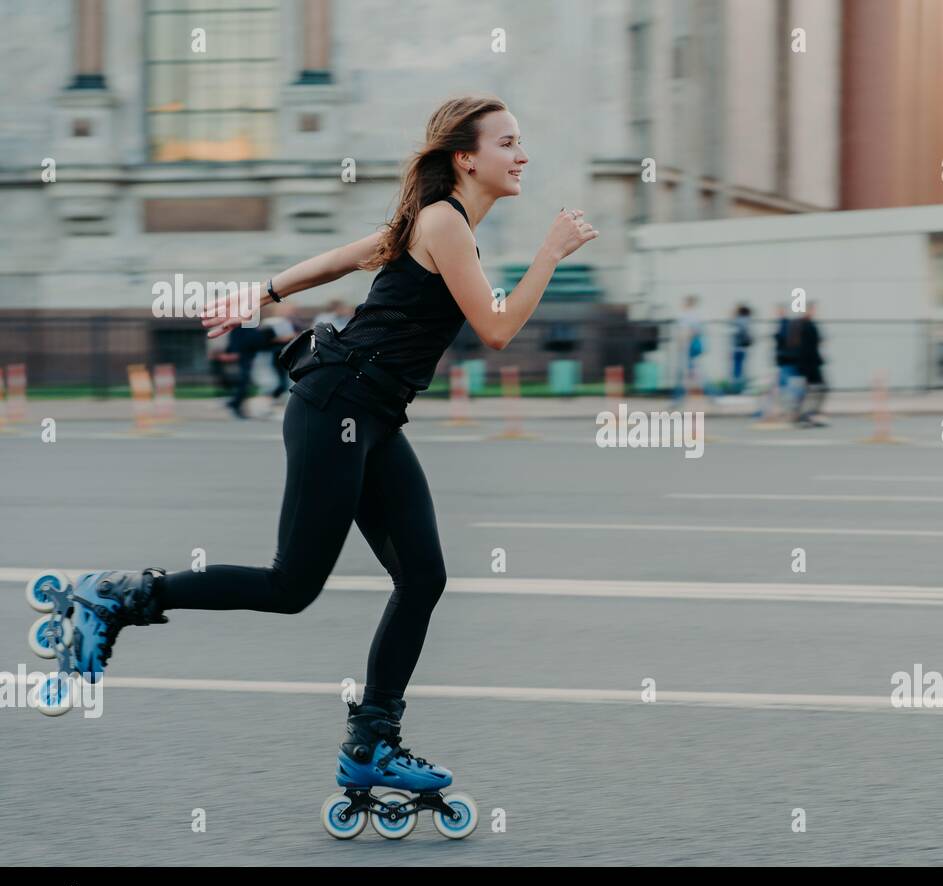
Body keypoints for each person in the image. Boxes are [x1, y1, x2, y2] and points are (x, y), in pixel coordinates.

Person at [33, 95, 598, 831]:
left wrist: (260, 295)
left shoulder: (429, 223)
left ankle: (373, 743)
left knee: (423, 576)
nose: (522, 156)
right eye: (509, 143)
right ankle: (116, 595)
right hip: (339, 406)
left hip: (371, 414)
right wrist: (550, 254)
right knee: (290, 583)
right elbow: (494, 329)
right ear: (467, 157)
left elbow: (346, 257)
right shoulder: (443, 223)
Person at [789, 304, 828, 427]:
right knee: (817, 390)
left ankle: (806, 415)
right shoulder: (805, 326)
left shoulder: (804, 325)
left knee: (812, 391)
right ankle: (806, 415)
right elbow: (809, 346)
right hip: (809, 364)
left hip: (808, 364)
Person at [729, 304, 753, 394]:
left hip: (737, 347)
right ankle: (739, 387)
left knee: (737, 369)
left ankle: (737, 388)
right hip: (742, 348)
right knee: (740, 368)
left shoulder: (738, 321)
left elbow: (736, 332)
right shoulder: (746, 320)